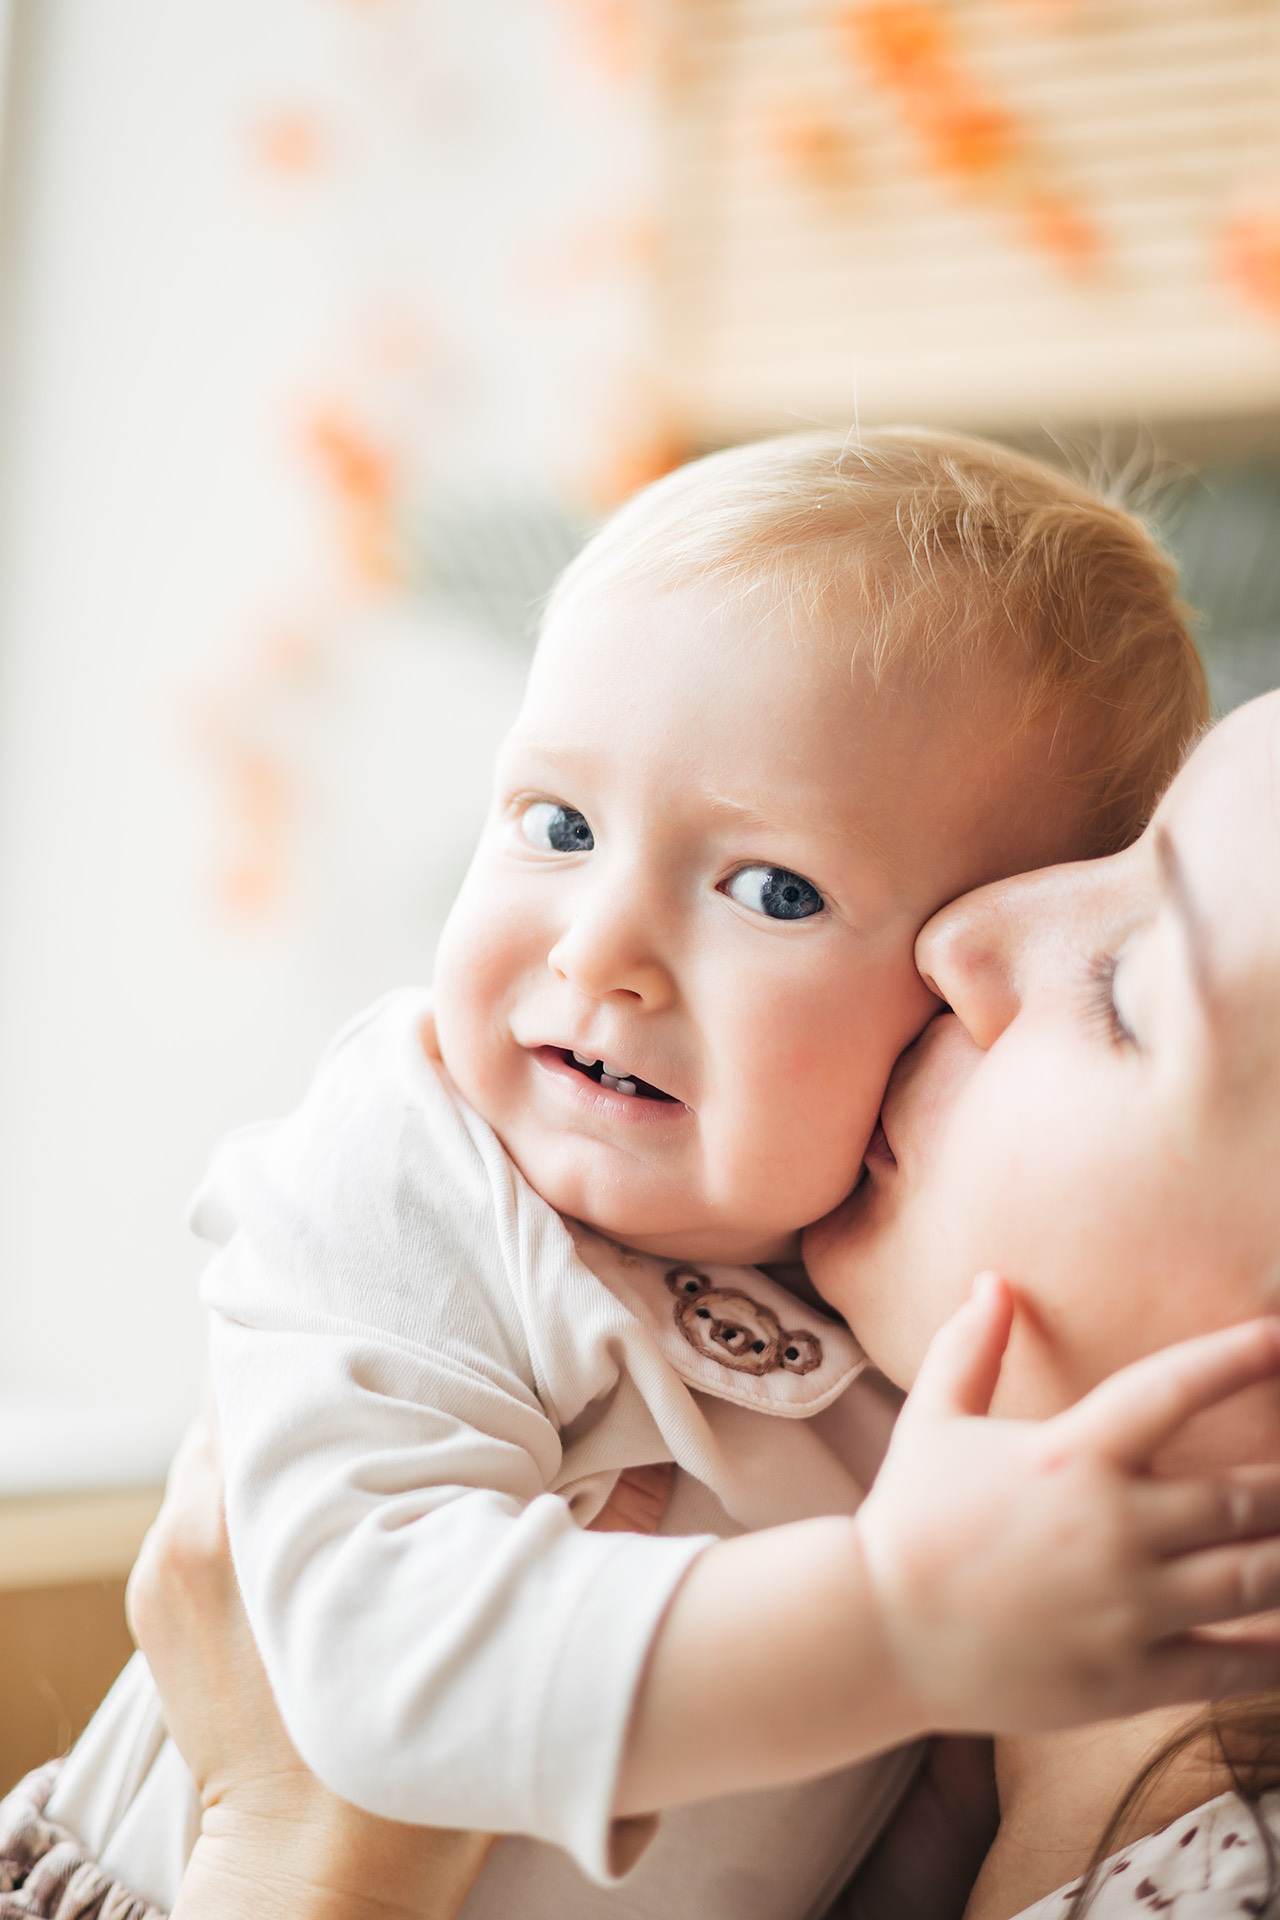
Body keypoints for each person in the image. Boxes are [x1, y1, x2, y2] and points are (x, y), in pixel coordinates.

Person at [29, 429, 1274, 1920]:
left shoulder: (901, 1327)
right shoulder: (424, 1165)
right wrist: (895, 1619)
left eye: (775, 891)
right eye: (556, 825)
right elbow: (365, 1681)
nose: (595, 949)